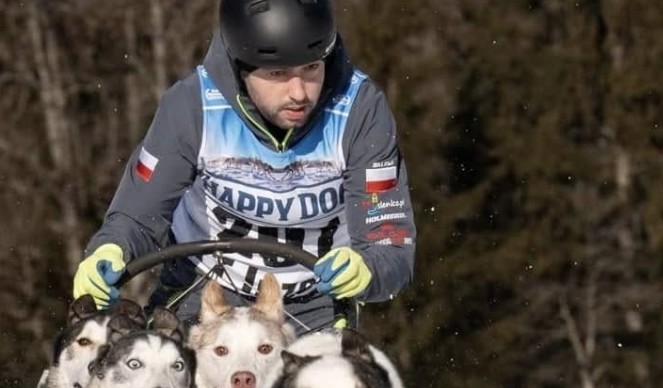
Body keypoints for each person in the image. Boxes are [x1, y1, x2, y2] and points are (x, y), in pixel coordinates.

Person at [73, 0, 415, 333]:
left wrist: (367, 269)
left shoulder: (360, 110)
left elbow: (389, 241)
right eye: (278, 73)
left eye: (312, 67)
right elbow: (137, 215)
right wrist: (111, 247)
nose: (299, 92)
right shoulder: (193, 105)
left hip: (313, 307)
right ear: (241, 66)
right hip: (204, 294)